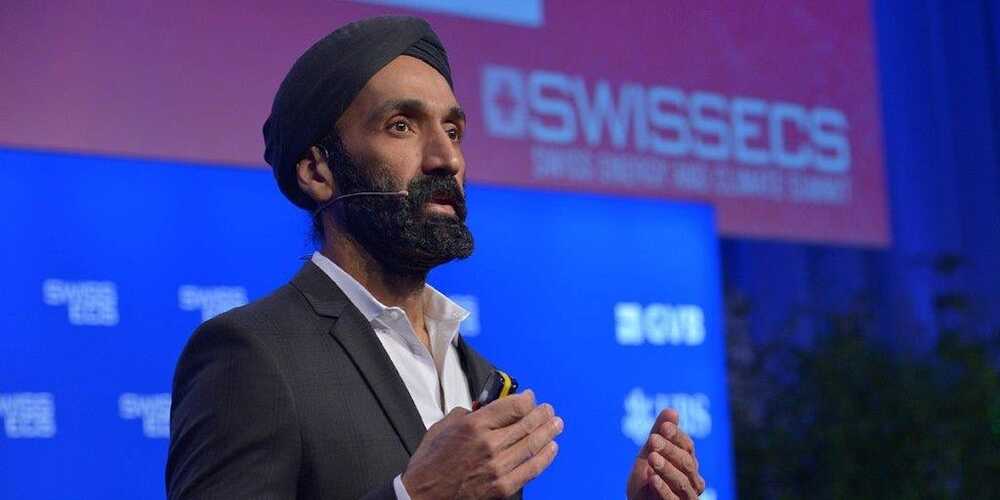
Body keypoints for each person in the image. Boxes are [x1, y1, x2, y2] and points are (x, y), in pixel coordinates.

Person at [166, 15, 705, 500]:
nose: (446, 157)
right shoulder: (252, 354)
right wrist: (414, 496)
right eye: (401, 125)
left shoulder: (478, 374)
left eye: (453, 130)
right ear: (318, 172)